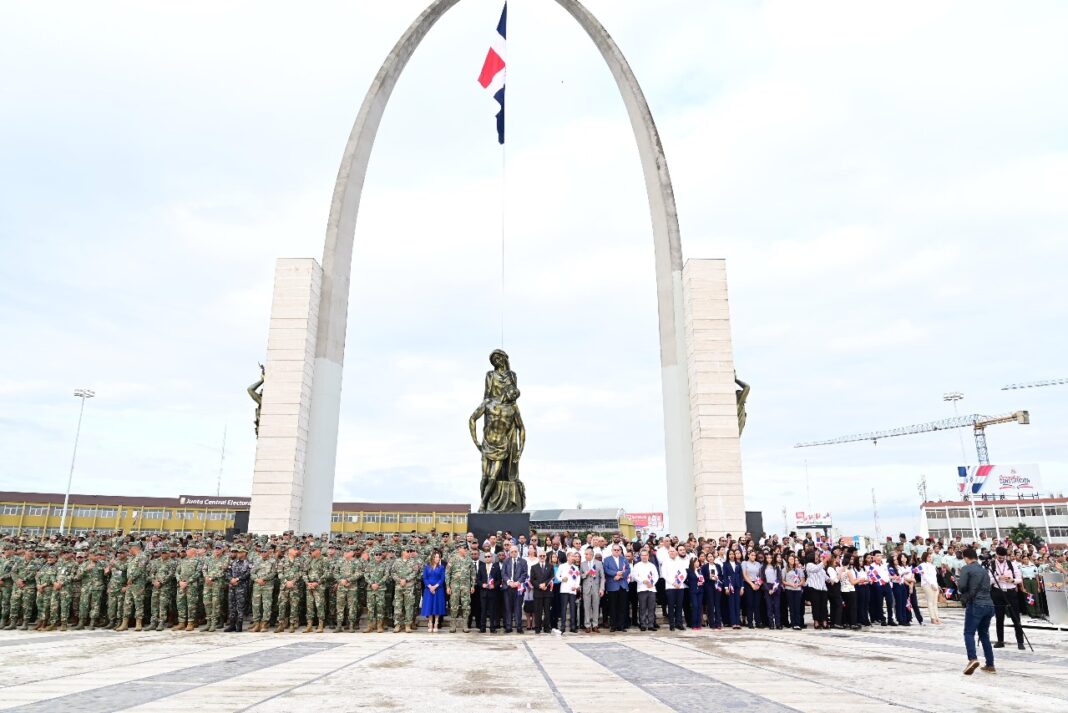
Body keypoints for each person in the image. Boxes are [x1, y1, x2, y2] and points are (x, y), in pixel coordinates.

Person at [957, 547, 996, 675]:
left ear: (966, 557)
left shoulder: (966, 568)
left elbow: (962, 586)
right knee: (984, 634)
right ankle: (990, 664)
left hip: (975, 604)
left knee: (969, 633)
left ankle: (972, 659)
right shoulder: (984, 570)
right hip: (989, 605)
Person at [987, 546, 1024, 650]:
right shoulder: (992, 564)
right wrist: (998, 578)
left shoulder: (1012, 564)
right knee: (999, 618)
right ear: (996, 555)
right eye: (999, 557)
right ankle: (1000, 641)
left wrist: (1012, 580)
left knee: (1016, 617)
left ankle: (1020, 642)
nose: (1001, 559)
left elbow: (1019, 579)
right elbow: (988, 580)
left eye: (1003, 557)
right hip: (997, 592)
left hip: (1010, 592)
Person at [603, 544, 630, 632]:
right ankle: (613, 625)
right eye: (615, 550)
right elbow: (606, 570)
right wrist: (616, 573)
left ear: (621, 551)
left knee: (622, 607)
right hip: (612, 586)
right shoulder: (607, 559)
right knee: (612, 607)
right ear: (612, 550)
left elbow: (628, 569)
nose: (617, 551)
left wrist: (621, 575)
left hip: (622, 585)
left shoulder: (624, 559)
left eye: (618, 550)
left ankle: (621, 625)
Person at [630, 548, 659, 631]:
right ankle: (642, 624)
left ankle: (650, 624)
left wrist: (651, 583)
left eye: (645, 555)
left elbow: (656, 576)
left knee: (651, 607)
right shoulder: (637, 565)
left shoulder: (652, 565)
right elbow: (635, 576)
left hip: (651, 589)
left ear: (648, 556)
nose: (644, 557)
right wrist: (643, 581)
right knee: (642, 607)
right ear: (640, 556)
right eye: (642, 555)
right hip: (642, 589)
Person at [223, 546, 251, 632]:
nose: (239, 554)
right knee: (231, 606)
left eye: (241, 552)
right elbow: (227, 572)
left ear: (245, 553)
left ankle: (239, 625)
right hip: (232, 587)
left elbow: (248, 574)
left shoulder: (248, 563)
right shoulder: (233, 562)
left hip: (242, 587)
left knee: (240, 606)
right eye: (238, 552)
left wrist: (238, 579)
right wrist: (231, 579)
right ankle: (232, 625)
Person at [502, 546, 528, 633]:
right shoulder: (506, 561)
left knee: (518, 608)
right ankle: (508, 626)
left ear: (518, 552)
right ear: (509, 552)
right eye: (512, 551)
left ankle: (519, 626)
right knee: (507, 608)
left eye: (515, 551)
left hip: (518, 588)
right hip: (508, 587)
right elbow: (503, 573)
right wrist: (509, 582)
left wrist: (518, 582)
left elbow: (524, 574)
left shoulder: (523, 561)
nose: (513, 553)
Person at [661, 546, 687, 631]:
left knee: (679, 606)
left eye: (673, 551)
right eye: (670, 551)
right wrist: (673, 583)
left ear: (676, 553)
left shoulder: (680, 561)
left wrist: (679, 582)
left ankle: (679, 623)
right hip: (670, 587)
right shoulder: (665, 562)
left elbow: (684, 573)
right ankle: (671, 624)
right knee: (671, 606)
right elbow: (664, 575)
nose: (672, 553)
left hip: (680, 587)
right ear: (668, 553)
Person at [420, 550, 446, 632]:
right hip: (428, 589)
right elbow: (425, 578)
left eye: (438, 557)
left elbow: (442, 578)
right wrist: (430, 586)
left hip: (438, 589)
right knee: (429, 606)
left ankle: (436, 623)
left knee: (437, 606)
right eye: (436, 557)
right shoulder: (427, 567)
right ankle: (430, 622)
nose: (437, 558)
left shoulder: (441, 567)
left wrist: (435, 586)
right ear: (432, 558)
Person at [529, 551, 554, 634]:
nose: (542, 557)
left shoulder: (550, 566)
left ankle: (547, 628)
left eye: (544, 555)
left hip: (547, 592)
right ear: (538, 557)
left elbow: (551, 577)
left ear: (546, 557)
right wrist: (539, 585)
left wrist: (545, 584)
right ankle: (537, 628)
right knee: (538, 611)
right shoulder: (533, 567)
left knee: (547, 611)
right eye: (541, 556)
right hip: (538, 592)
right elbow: (532, 580)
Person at [580, 547, 603, 633]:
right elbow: (580, 577)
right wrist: (585, 574)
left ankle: (595, 625)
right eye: (585, 554)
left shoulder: (599, 563)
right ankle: (587, 625)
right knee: (586, 607)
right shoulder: (583, 564)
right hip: (586, 588)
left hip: (596, 588)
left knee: (596, 607)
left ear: (591, 554)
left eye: (587, 554)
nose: (585, 556)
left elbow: (602, 577)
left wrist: (602, 588)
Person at [918, 550, 942, 625]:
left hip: (934, 584)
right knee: (930, 601)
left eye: (930, 557)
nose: (930, 558)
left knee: (935, 602)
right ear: (925, 557)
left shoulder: (932, 566)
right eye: (928, 557)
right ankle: (932, 618)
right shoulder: (922, 565)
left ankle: (937, 617)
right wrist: (931, 584)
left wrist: (937, 585)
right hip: (927, 584)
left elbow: (934, 577)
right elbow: (925, 576)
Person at [722, 549, 743, 629]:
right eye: (730, 554)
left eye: (733, 554)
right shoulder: (725, 564)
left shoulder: (738, 564)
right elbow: (725, 576)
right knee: (731, 605)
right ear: (728, 555)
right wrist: (726, 587)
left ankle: (738, 622)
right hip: (730, 587)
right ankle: (733, 622)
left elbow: (741, 576)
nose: (732, 555)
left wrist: (742, 587)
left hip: (738, 586)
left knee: (737, 604)